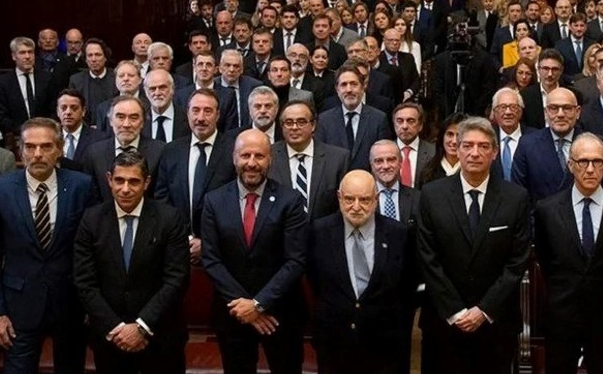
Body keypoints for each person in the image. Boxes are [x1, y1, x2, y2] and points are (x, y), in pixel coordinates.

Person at [0, 118, 93, 374]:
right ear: (20, 150)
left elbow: (93, 251)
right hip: (19, 305)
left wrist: (91, 304)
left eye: (46, 146)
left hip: (70, 303)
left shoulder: (81, 186)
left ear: (60, 149)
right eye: (30, 147)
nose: (37, 154)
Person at [416, 116, 532, 374]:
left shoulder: (516, 198)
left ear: (494, 152)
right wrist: (456, 312)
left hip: (495, 323)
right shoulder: (432, 195)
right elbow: (427, 256)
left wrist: (483, 310)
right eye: (467, 145)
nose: (475, 153)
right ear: (456, 149)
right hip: (443, 322)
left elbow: (516, 262)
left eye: (483, 146)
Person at [201, 129, 310, 374]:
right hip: (233, 314)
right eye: (245, 155)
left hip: (281, 314)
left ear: (270, 159)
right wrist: (246, 308)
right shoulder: (214, 201)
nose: (251, 163)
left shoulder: (290, 200)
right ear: (234, 157)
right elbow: (211, 259)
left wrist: (259, 304)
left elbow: (295, 260)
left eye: (259, 156)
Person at [74, 149, 190, 374]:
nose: (125, 189)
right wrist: (117, 329)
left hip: (160, 336)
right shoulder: (92, 220)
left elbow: (176, 280)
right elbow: (84, 281)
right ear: (109, 179)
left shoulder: (170, 218)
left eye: (133, 181)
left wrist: (141, 327)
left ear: (146, 182)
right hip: (110, 338)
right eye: (119, 180)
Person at [533, 134, 603, 374]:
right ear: (570, 165)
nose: (590, 169)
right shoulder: (547, 210)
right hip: (561, 315)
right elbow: (546, 260)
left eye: (597, 162)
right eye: (583, 162)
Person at [308, 169, 418, 374]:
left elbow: (407, 286)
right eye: (349, 199)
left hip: (385, 346)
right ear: (339, 198)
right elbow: (317, 282)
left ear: (376, 199)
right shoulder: (318, 232)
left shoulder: (398, 234)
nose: (356, 207)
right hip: (334, 343)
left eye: (365, 200)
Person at [152, 88, 238, 263]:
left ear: (218, 115)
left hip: (223, 253)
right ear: (187, 113)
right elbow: (162, 200)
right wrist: (184, 240)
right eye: (195, 110)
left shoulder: (233, 151)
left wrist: (207, 242)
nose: (200, 118)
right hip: (177, 249)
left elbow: (237, 205)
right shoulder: (171, 150)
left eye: (208, 111)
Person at [268, 99, 348, 217]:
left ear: (313, 125)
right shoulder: (268, 156)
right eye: (289, 122)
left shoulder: (337, 159)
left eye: (301, 122)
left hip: (323, 232)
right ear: (282, 126)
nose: (294, 127)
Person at [315, 63, 394, 170]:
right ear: (337, 90)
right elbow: (320, 159)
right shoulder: (324, 120)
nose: (349, 90)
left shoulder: (379, 119)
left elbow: (384, 156)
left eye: (353, 84)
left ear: (363, 87)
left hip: (368, 183)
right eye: (343, 85)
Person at [512, 87, 584, 201]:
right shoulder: (527, 145)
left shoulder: (593, 145)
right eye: (554, 108)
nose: (560, 114)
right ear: (546, 113)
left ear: (578, 112)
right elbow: (519, 194)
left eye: (567, 108)